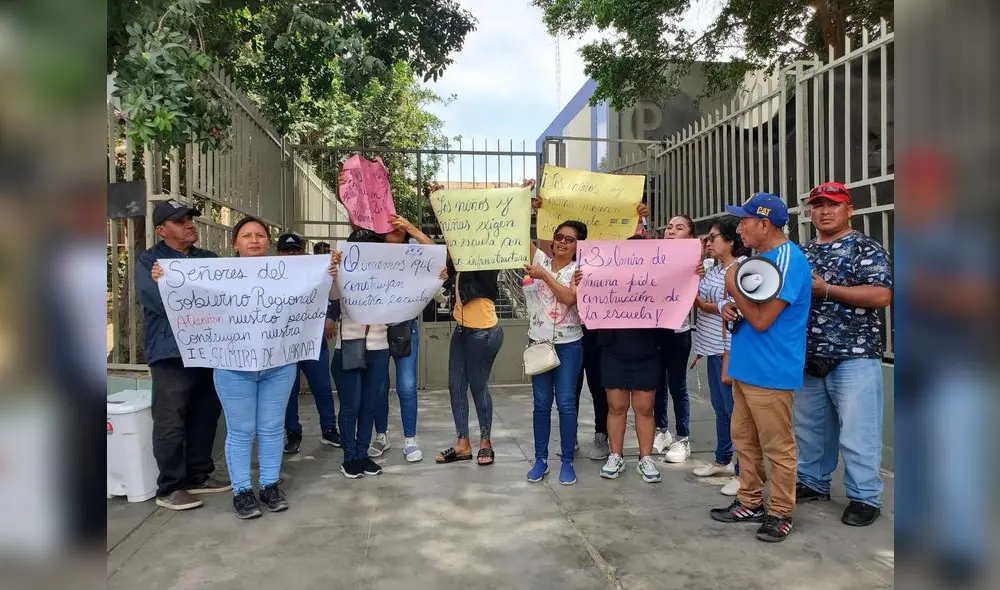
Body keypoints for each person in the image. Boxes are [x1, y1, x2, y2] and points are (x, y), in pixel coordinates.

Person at [152, 216, 311, 520]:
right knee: (241, 430)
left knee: (272, 428)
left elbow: (314, 295)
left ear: (268, 241)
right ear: (235, 242)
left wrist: (328, 273)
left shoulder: (289, 273)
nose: (254, 240)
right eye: (247, 235)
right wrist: (166, 277)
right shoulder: (216, 274)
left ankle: (269, 485)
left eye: (261, 235)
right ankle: (242, 491)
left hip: (278, 364)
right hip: (233, 366)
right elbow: (187, 292)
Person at [708, 193, 812, 543]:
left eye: (745, 221)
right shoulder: (761, 258)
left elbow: (764, 319)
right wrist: (728, 306)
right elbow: (748, 311)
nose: (739, 229)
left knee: (777, 446)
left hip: (771, 370)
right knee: (745, 440)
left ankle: (781, 511)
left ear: (765, 224)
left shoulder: (790, 261)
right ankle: (750, 500)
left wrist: (731, 287)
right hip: (747, 366)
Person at [794, 182, 892, 527]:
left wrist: (828, 290)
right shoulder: (802, 252)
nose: (824, 211)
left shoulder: (865, 247)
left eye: (832, 204)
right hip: (808, 355)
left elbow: (881, 295)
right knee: (811, 429)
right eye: (818, 205)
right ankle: (813, 482)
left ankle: (865, 497)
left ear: (848, 209)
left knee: (857, 432)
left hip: (854, 354)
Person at [136, 199, 229, 511]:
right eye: (180, 220)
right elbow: (159, 303)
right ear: (163, 230)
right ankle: (170, 487)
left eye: (190, 218)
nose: (190, 224)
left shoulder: (208, 259)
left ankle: (198, 475)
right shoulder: (149, 262)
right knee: (170, 419)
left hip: (207, 350)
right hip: (170, 354)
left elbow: (225, 298)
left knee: (205, 413)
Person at [589, 234, 663, 484]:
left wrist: (692, 272)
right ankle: (615, 455)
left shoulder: (658, 281)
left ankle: (646, 458)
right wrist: (583, 282)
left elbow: (679, 289)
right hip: (613, 350)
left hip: (647, 350)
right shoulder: (607, 279)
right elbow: (588, 299)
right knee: (616, 407)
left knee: (645, 408)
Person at [367, 215, 438, 463]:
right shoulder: (370, 251)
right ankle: (381, 435)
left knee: (407, 386)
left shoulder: (413, 250)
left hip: (405, 327)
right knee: (378, 386)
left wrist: (410, 227)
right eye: (388, 224)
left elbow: (436, 253)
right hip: (375, 328)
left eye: (398, 223)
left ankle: (410, 439)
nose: (394, 227)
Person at [522, 220, 587, 485]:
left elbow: (570, 299)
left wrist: (545, 276)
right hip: (538, 343)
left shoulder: (580, 271)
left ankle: (567, 461)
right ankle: (540, 460)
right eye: (558, 236)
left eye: (569, 239)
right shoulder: (539, 260)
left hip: (570, 344)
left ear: (577, 246)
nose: (561, 242)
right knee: (540, 404)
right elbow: (516, 231)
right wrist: (524, 201)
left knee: (566, 403)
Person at [691, 216, 750, 496]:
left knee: (734, 411)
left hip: (729, 349)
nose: (708, 242)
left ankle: (743, 471)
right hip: (709, 345)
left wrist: (707, 304)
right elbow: (700, 300)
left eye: (713, 238)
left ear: (730, 241)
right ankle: (722, 459)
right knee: (719, 409)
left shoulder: (742, 269)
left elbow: (739, 306)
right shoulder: (713, 270)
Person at [328, 229, 392, 479]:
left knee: (370, 404)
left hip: (379, 347)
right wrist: (334, 272)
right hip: (350, 345)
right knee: (350, 405)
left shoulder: (390, 274)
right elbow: (332, 294)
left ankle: (363, 453)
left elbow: (411, 290)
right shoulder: (342, 271)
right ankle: (349, 456)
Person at [277, 232, 341, 454]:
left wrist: (330, 318)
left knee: (322, 387)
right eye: (287, 251)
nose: (292, 254)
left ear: (303, 251)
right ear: (278, 254)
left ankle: (329, 429)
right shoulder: (270, 275)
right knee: (288, 391)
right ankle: (293, 433)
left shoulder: (316, 271)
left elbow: (333, 298)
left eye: (296, 250)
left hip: (313, 341)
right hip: (284, 344)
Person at [435, 261, 504, 467]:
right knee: (455, 386)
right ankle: (463, 443)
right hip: (461, 330)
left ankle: (485, 441)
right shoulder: (456, 258)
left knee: (478, 387)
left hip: (484, 332)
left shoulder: (483, 252)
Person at [653, 214, 696, 463]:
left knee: (677, 386)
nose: (671, 231)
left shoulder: (695, 261)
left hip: (678, 332)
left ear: (689, 236)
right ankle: (662, 431)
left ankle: (683, 437)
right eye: (669, 226)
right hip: (654, 329)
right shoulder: (653, 257)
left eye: (679, 228)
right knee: (658, 384)